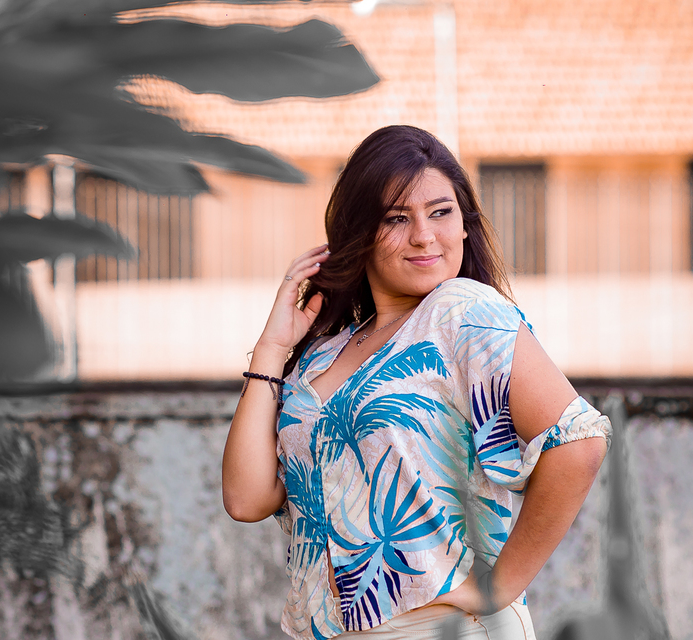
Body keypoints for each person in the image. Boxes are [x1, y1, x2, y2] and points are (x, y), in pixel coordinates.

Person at [222, 125, 611, 640]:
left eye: (441, 212)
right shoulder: (322, 354)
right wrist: (272, 349)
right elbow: (247, 499)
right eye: (396, 218)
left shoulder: (463, 312)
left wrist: (500, 587)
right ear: (359, 232)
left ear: (465, 225)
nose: (425, 236)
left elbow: (579, 443)